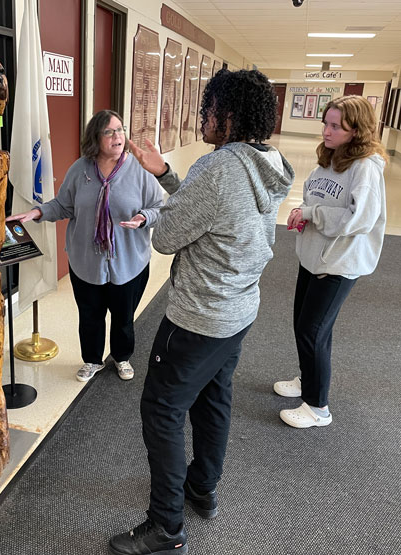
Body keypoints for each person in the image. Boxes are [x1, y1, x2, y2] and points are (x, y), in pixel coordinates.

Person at [108, 69, 294, 555]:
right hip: (237, 309)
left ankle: (166, 526)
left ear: (228, 115)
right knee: (214, 398)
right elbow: (218, 210)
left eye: (208, 108)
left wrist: (166, 200)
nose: (202, 117)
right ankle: (201, 490)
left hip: (198, 317)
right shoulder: (269, 161)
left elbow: (168, 237)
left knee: (162, 412)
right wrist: (166, 175)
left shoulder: (218, 168)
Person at [7, 110, 163, 382]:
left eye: (120, 130)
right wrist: (37, 213)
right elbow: (63, 205)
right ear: (96, 137)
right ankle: (92, 360)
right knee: (90, 316)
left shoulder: (139, 170)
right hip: (86, 262)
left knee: (123, 317)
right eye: (110, 132)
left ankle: (122, 356)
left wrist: (144, 218)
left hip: (129, 262)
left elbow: (159, 208)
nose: (118, 136)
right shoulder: (80, 169)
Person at [274, 95, 387, 429]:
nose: (327, 130)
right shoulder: (331, 157)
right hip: (313, 257)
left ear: (357, 130)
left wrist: (312, 214)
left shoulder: (364, 167)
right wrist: (302, 212)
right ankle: (308, 380)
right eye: (326, 123)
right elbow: (316, 196)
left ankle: (318, 406)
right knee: (305, 326)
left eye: (336, 126)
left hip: (338, 263)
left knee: (313, 331)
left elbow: (360, 219)